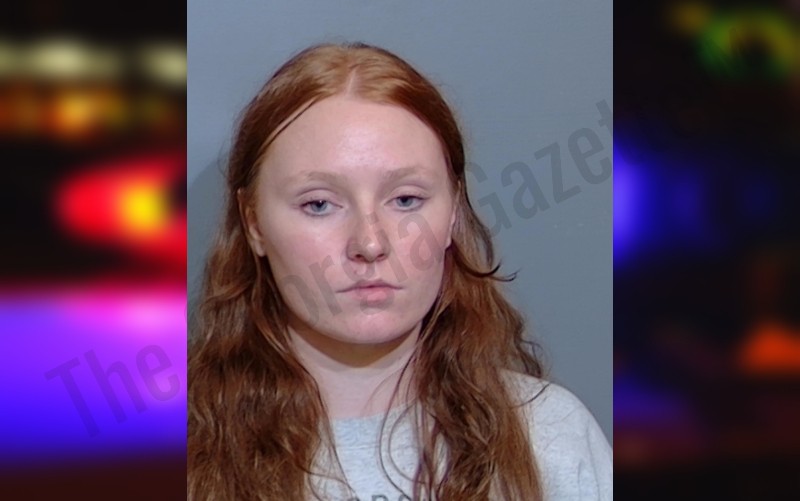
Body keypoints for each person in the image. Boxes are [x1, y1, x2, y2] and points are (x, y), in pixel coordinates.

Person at [188, 42, 611, 500]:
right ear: (253, 222)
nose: (370, 244)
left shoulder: (551, 439)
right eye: (319, 204)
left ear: (453, 211)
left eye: (406, 200)